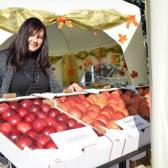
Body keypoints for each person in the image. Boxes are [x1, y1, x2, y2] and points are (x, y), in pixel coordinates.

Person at [0, 17, 82, 97]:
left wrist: (69, 89)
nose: (35, 40)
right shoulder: (4, 59)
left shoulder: (44, 63)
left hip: (44, 110)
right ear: (23, 35)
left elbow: (56, 90)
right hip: (13, 110)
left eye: (39, 37)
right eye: (31, 35)